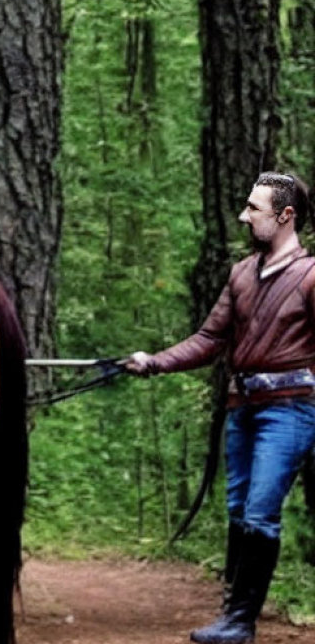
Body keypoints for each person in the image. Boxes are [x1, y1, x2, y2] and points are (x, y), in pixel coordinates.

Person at [127, 172, 315, 644]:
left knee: (259, 512)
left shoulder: (311, 277)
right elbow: (210, 339)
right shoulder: (241, 275)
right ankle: (233, 615)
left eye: (254, 209)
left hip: (290, 410)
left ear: (285, 216)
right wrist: (154, 362)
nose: (243, 216)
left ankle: (240, 623)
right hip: (243, 408)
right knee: (237, 508)